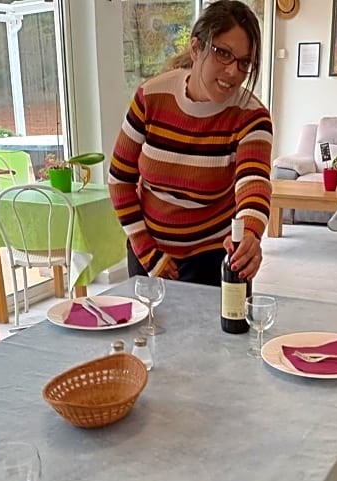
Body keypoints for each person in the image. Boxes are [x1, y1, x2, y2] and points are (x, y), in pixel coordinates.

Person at [108, 0, 273, 287]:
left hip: (216, 255)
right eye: (223, 54)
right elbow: (120, 179)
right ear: (196, 48)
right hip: (148, 248)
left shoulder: (251, 116)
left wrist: (249, 234)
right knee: (149, 331)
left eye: (244, 62)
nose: (234, 71)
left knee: (222, 331)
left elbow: (253, 182)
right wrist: (147, 251)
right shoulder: (151, 97)